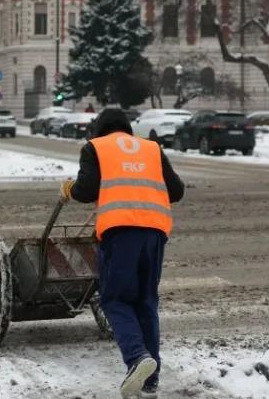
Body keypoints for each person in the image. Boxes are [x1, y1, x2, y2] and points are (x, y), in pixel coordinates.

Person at [60, 108, 184, 398]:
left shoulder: (95, 147)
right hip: (155, 231)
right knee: (146, 301)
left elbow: (86, 190)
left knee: (115, 299)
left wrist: (69, 189)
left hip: (120, 231)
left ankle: (137, 357)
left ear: (99, 129)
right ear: (128, 129)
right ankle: (150, 381)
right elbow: (176, 191)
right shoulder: (152, 148)